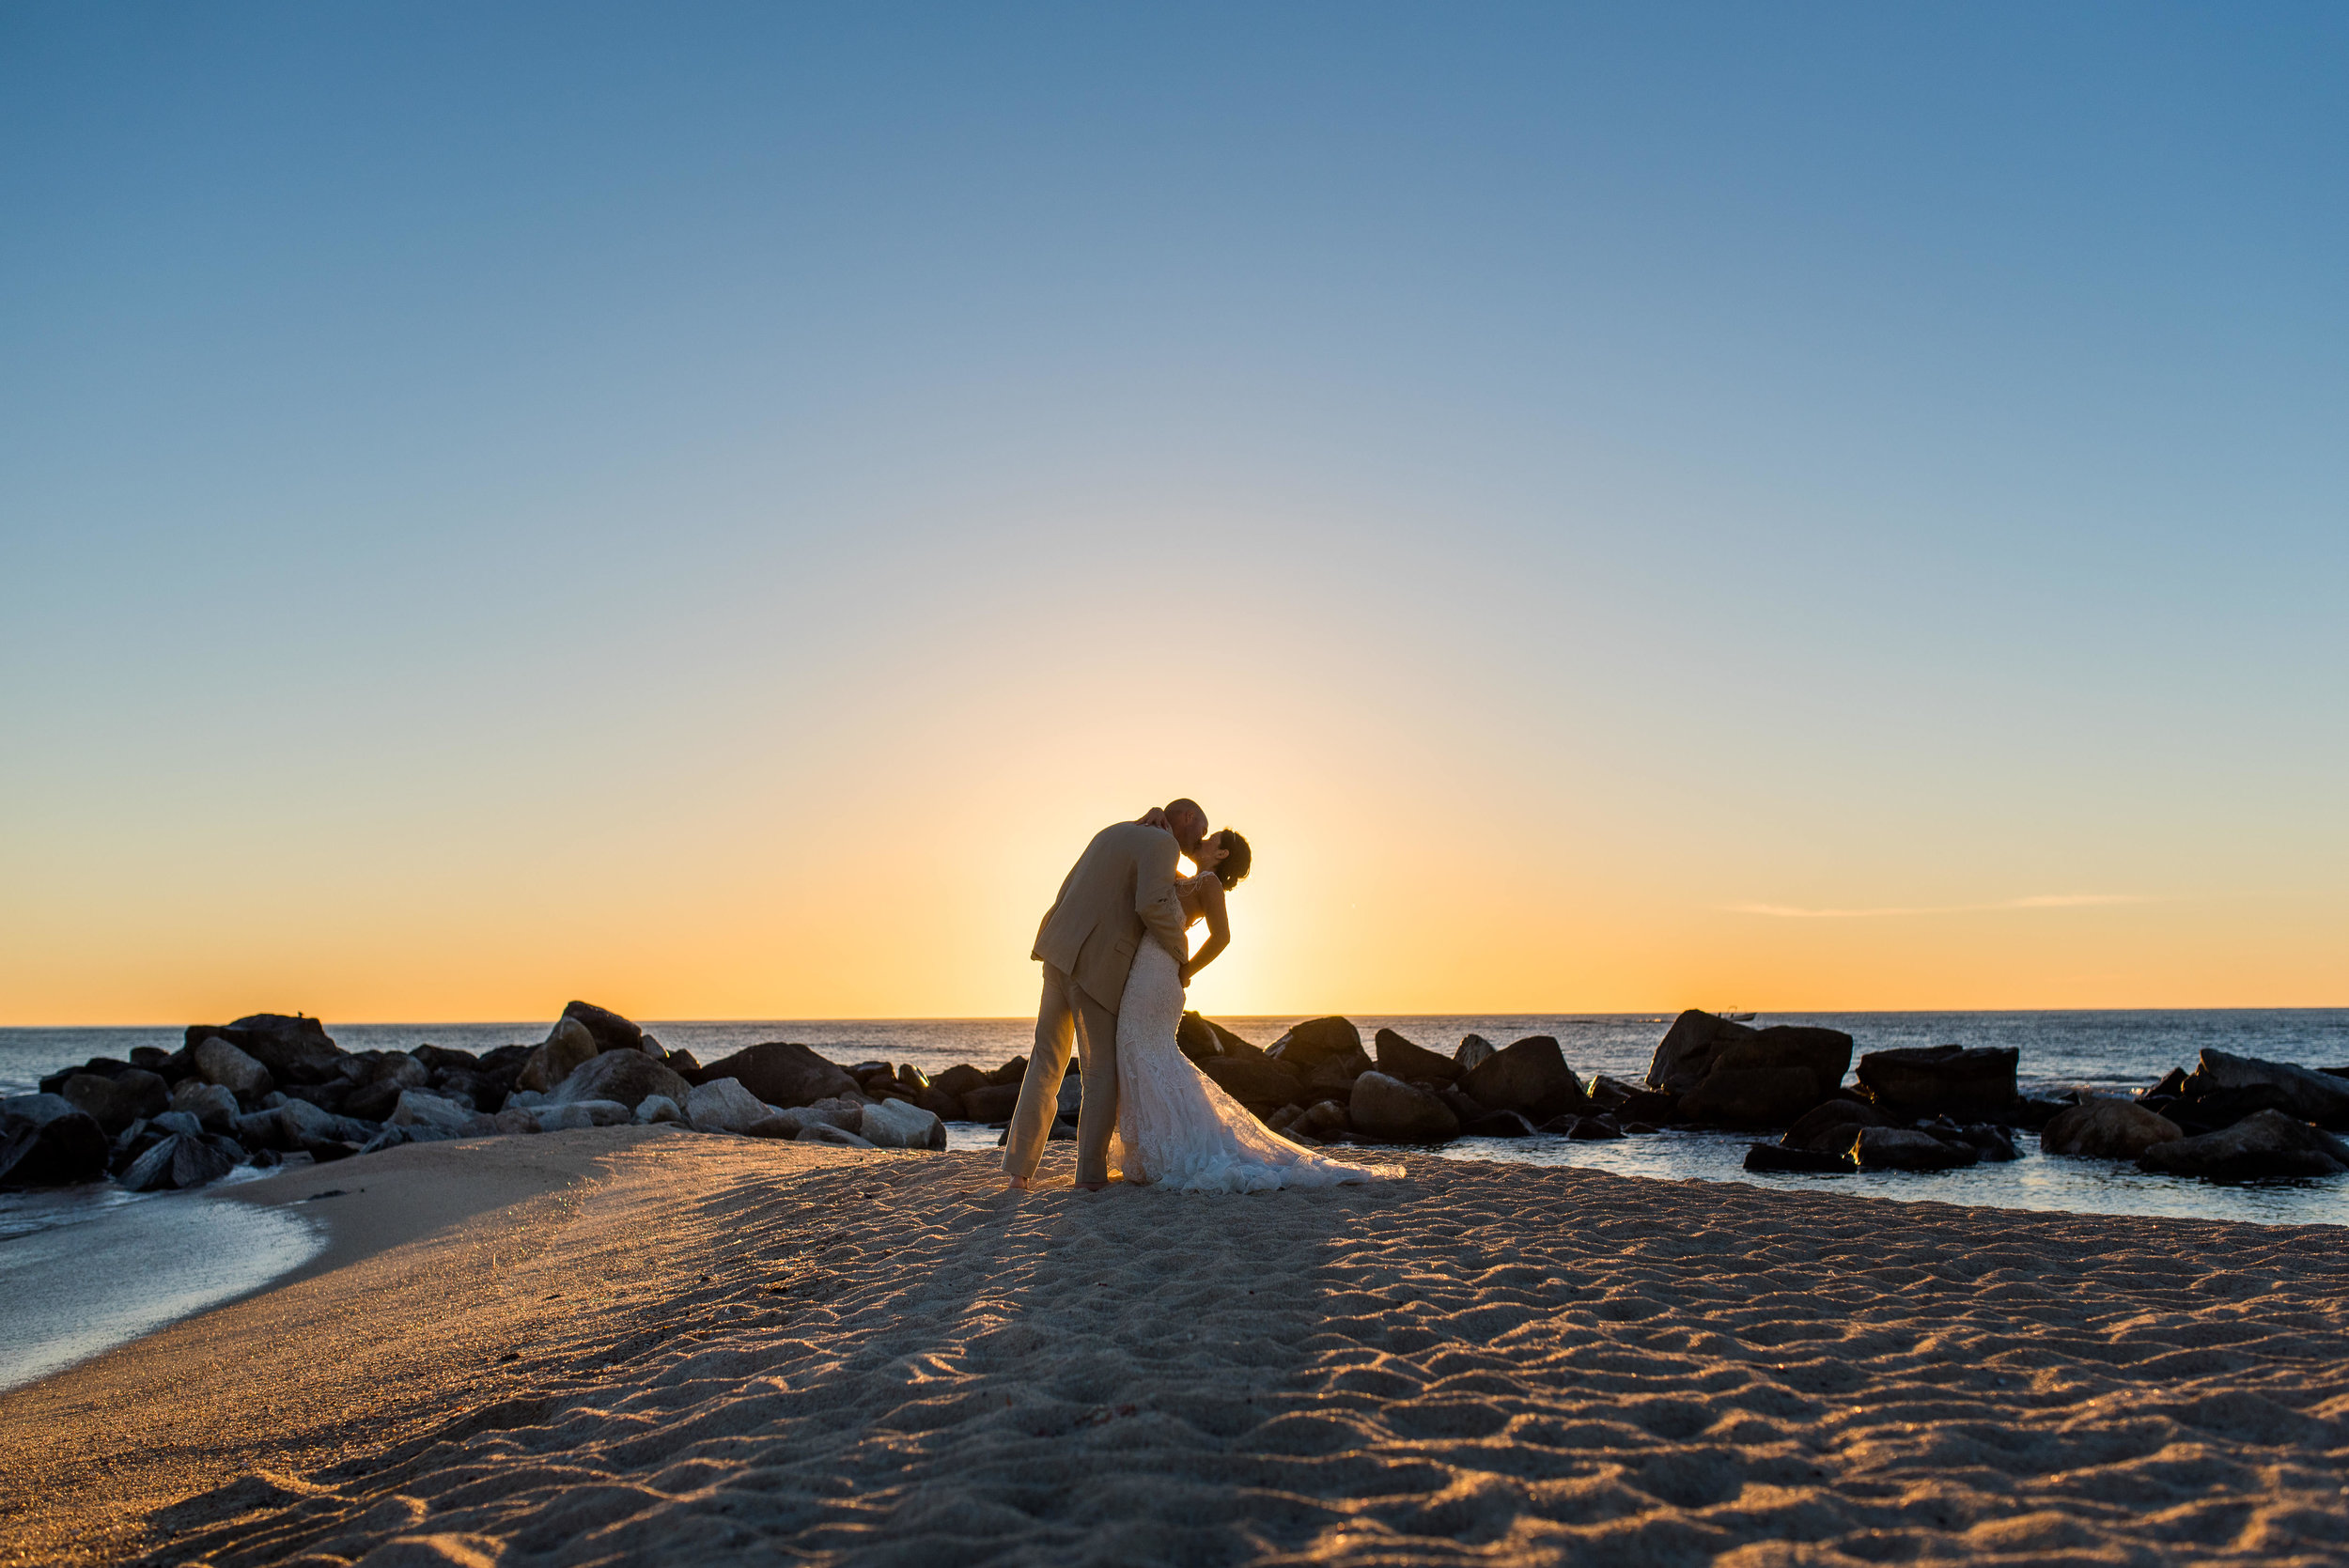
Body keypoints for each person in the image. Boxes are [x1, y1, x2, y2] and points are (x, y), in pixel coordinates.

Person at [1108, 829, 1399, 1191]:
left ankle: (1164, 1153)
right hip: (1144, 971)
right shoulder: (1188, 878)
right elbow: (1156, 868)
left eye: (1211, 838)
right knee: (1137, 1049)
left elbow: (1222, 936)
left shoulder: (1209, 882)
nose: (1203, 839)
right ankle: (1152, 1152)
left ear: (1223, 853)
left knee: (1145, 1049)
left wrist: (1188, 970)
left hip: (1162, 976)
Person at [1003, 800, 1209, 1191]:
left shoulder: (1116, 831)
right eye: (1200, 830)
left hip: (1058, 950)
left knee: (1045, 1061)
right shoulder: (1162, 845)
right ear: (1187, 818)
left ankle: (1019, 1172)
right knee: (1099, 1073)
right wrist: (1183, 955)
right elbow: (1151, 902)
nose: (1199, 842)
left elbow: (1075, 882)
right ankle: (1091, 1176)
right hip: (1096, 965)